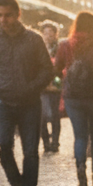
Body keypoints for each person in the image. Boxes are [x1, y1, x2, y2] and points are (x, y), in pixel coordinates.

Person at [0, 0, 54, 186]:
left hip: (29, 103)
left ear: (18, 14)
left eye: (8, 16)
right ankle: (15, 182)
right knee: (2, 145)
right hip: (2, 102)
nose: (3, 20)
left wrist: (30, 88)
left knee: (31, 149)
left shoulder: (33, 38)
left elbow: (47, 70)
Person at [54, 11, 93, 186]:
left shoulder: (65, 45)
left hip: (72, 97)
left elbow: (56, 70)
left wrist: (65, 78)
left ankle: (81, 170)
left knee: (80, 136)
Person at [38, 20, 63, 152]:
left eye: (51, 33)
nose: (48, 35)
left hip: (55, 86)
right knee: (41, 116)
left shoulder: (59, 48)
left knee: (54, 115)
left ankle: (55, 142)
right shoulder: (37, 47)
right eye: (46, 33)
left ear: (56, 34)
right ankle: (46, 142)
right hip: (41, 86)